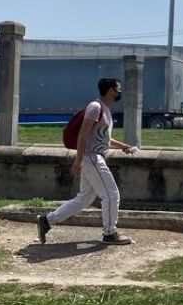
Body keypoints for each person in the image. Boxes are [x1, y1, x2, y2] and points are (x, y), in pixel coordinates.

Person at [37, 78, 138, 245]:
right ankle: (110, 233)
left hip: (93, 157)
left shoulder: (104, 109)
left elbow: (104, 137)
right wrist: (78, 160)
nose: (120, 92)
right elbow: (83, 135)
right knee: (111, 195)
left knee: (84, 199)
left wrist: (123, 146)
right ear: (110, 90)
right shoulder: (95, 107)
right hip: (92, 157)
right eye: (118, 89)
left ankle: (46, 221)